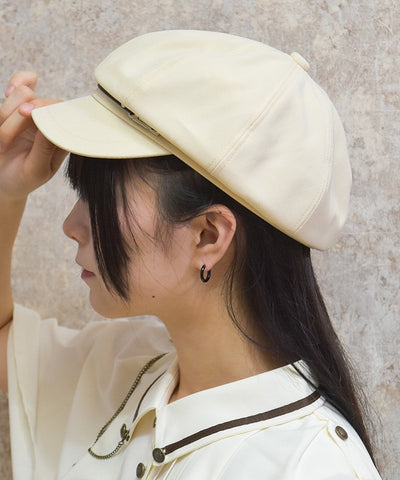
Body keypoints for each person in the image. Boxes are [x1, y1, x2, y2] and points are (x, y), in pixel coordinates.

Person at [0, 30, 381, 479]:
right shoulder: (126, 368)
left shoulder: (308, 467)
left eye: (99, 200)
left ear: (208, 235)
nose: (71, 226)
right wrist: (5, 193)